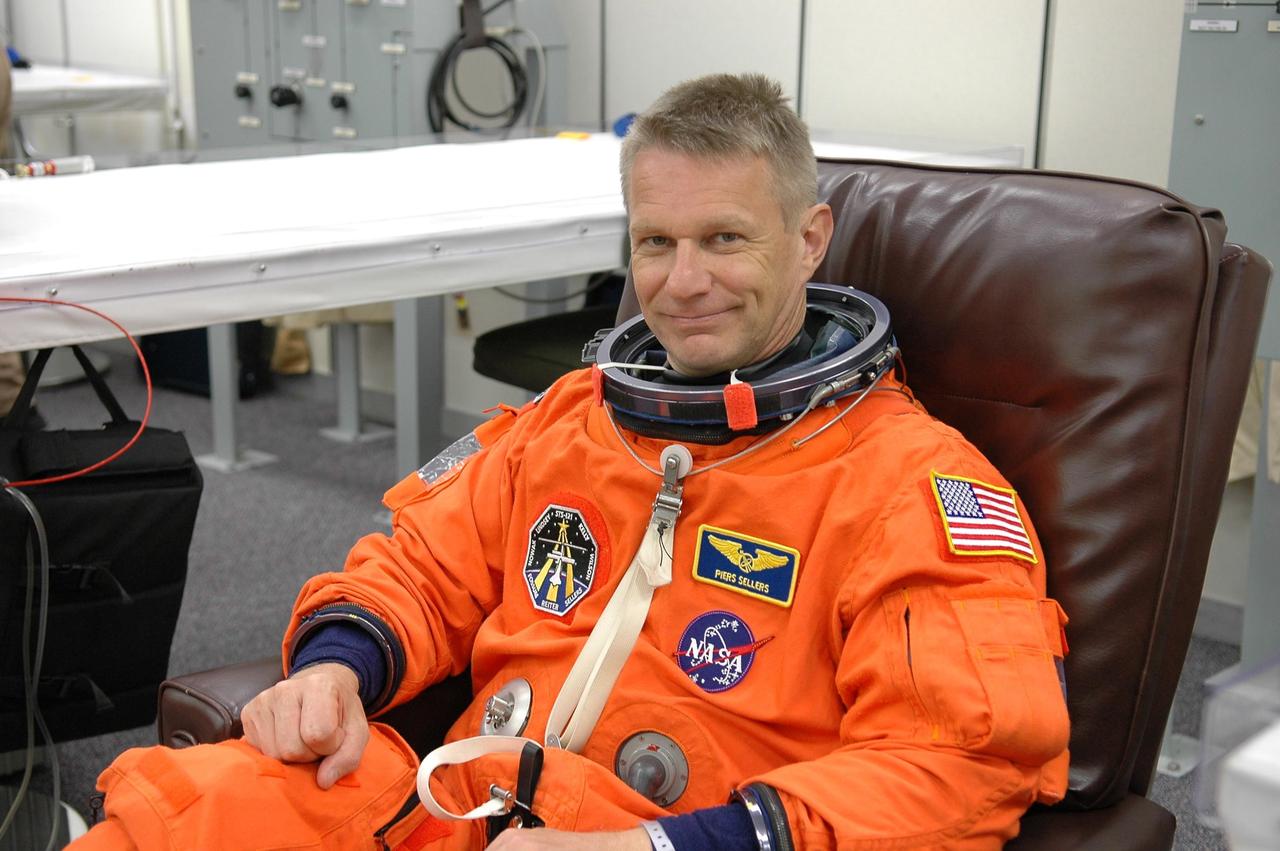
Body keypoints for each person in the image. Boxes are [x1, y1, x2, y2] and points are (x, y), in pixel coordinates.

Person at [76, 73, 1069, 850]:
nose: (682, 284)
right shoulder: (568, 418)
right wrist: (336, 669)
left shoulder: (910, 485)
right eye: (654, 242)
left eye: (723, 238)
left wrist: (662, 838)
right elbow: (420, 565)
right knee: (198, 807)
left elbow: (960, 760)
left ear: (809, 239)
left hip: (686, 833)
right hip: (463, 802)